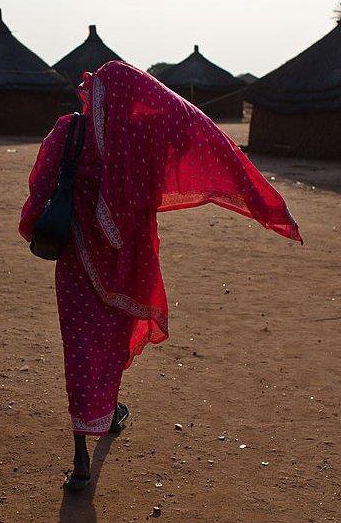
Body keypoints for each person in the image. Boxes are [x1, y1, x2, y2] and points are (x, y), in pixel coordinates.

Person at [19, 61, 301, 491]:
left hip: (76, 260)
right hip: (123, 264)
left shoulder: (67, 132)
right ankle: (106, 411)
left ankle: (82, 447)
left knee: (79, 344)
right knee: (112, 338)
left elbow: (39, 191)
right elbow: (188, 139)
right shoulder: (137, 143)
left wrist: (47, 222)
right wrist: (254, 195)